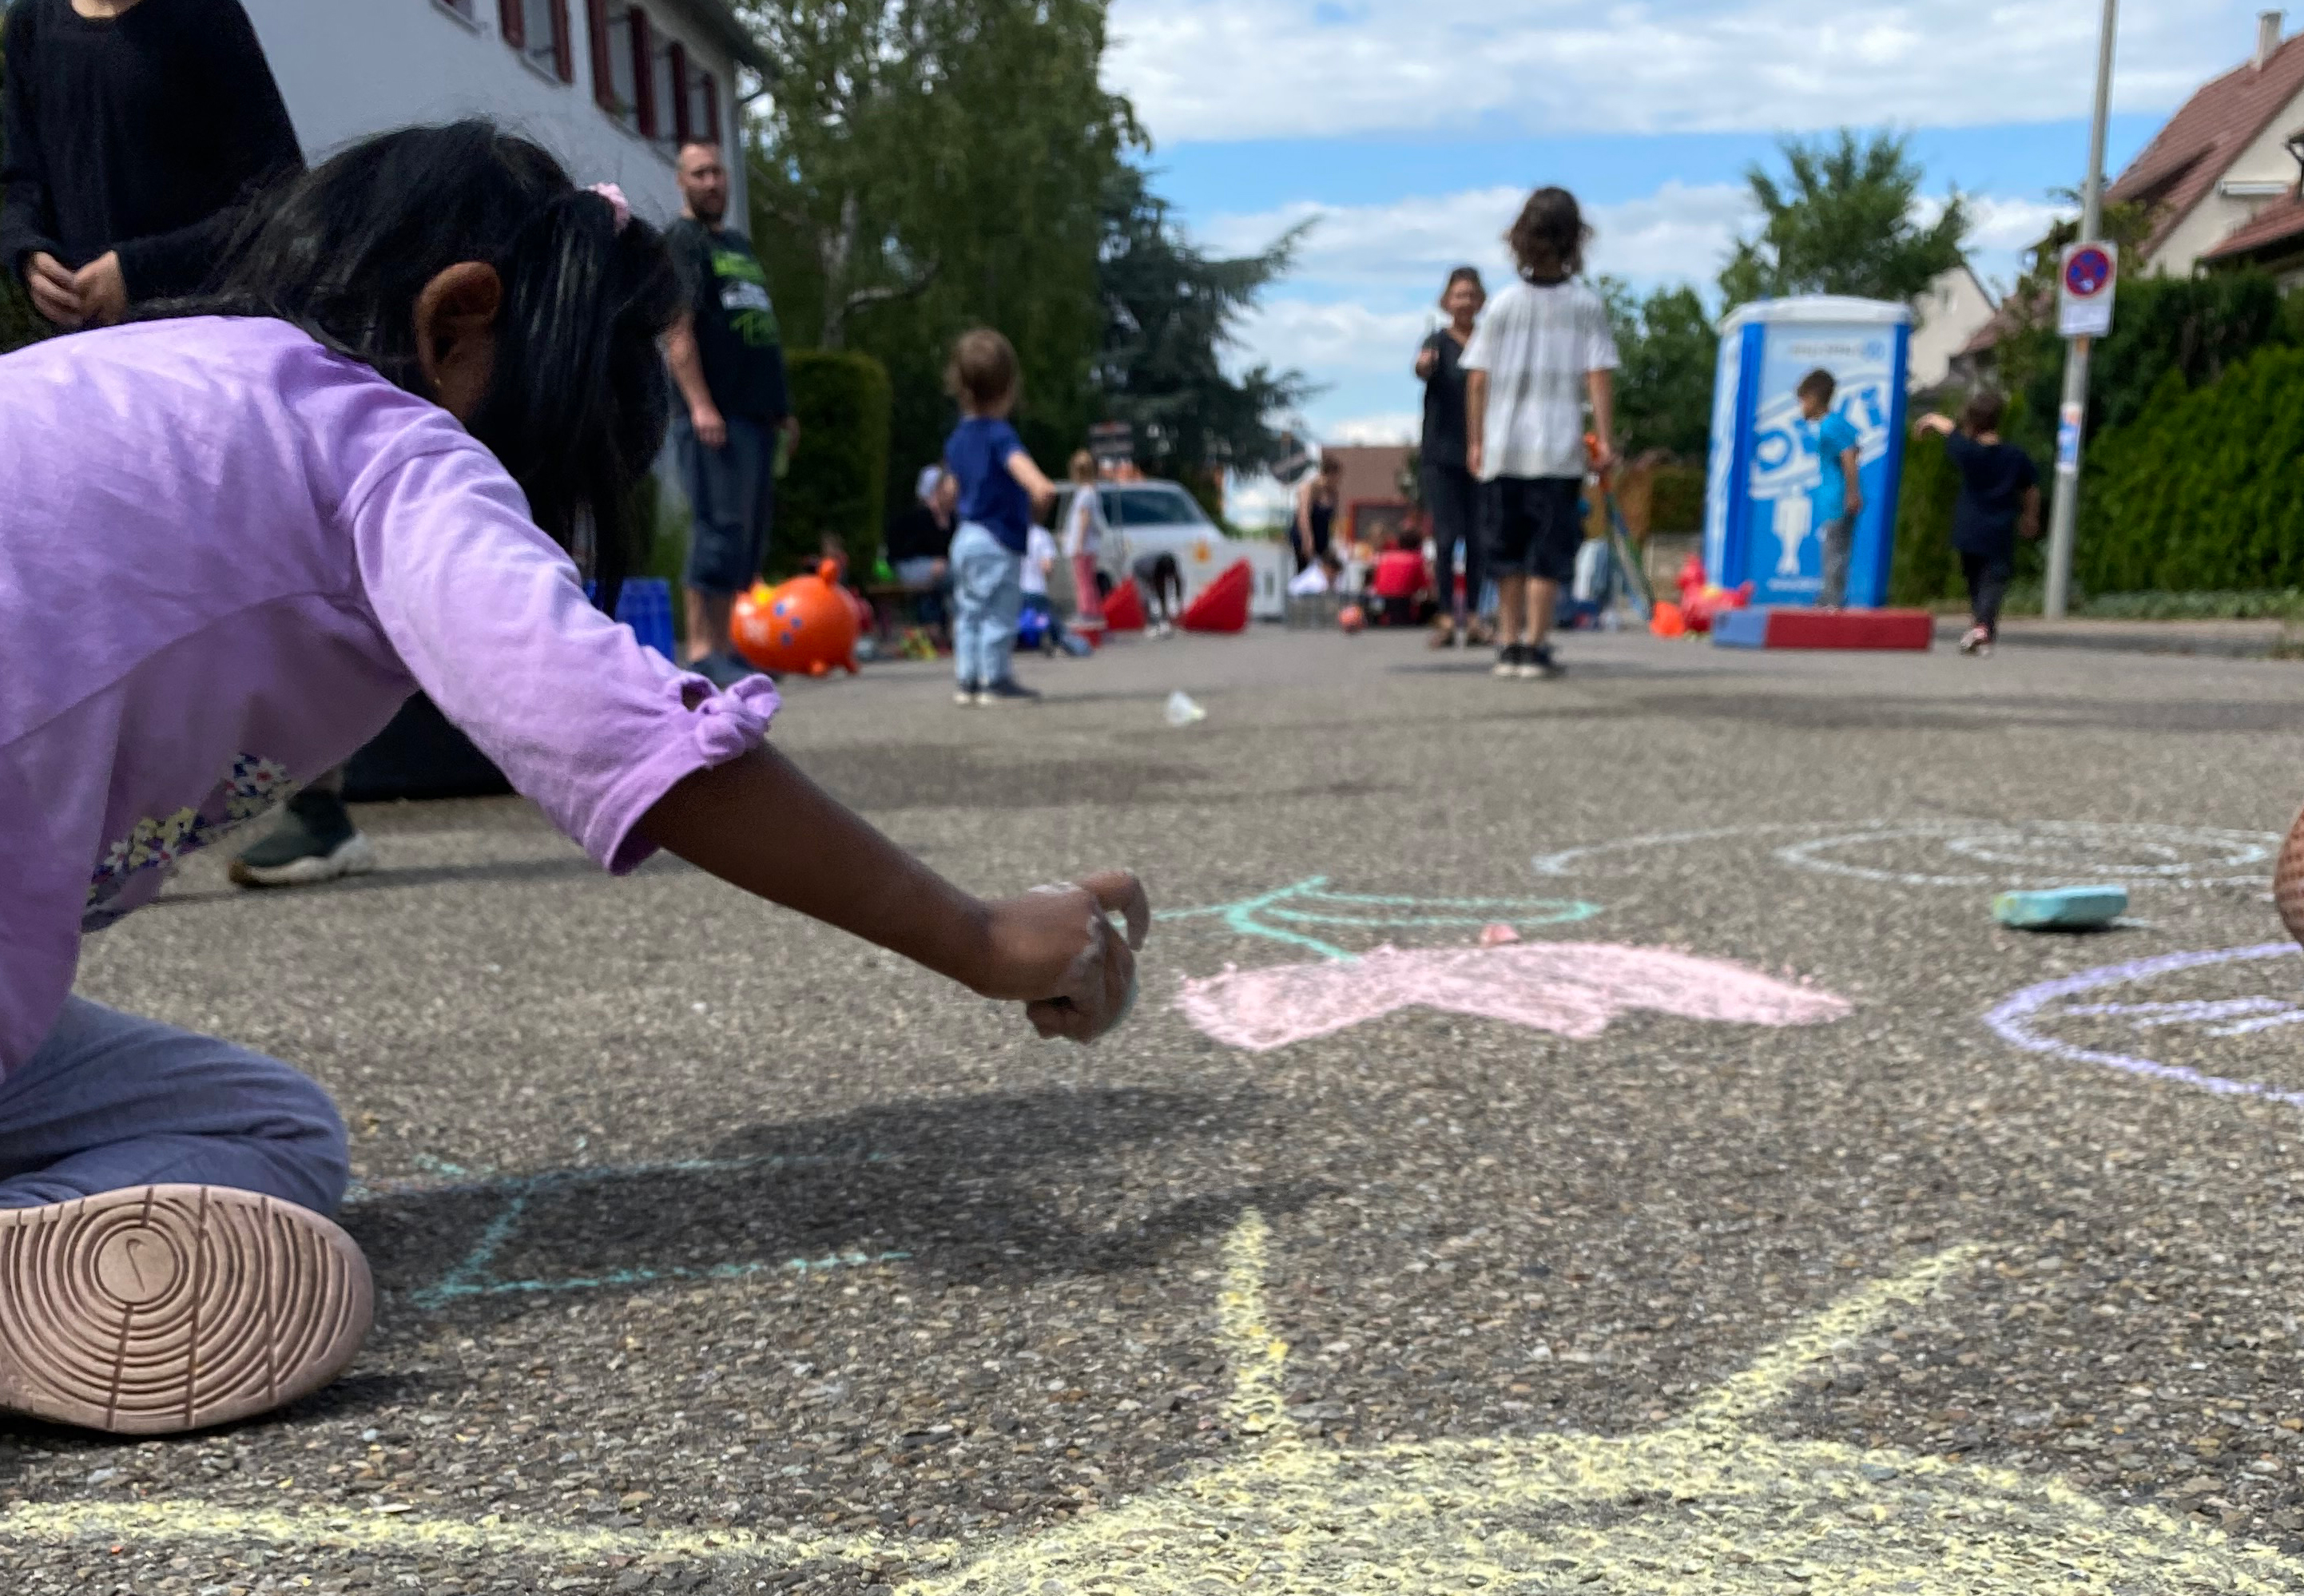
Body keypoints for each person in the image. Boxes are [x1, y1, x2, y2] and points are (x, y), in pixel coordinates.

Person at [0, 122, 1149, 1439]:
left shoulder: (145, 374)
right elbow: (617, 727)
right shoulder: (385, 441)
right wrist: (982, 933)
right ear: (458, 325)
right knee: (268, 1150)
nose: (529, 506)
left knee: (265, 1129)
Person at [0, 0, 302, 330]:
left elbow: (279, 199)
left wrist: (136, 273)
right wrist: (28, 256)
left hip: (207, 330)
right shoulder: (29, 25)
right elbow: (23, 185)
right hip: (88, 349)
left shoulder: (207, 15)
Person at [1462, 186, 1619, 680]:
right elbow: (1598, 375)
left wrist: (1476, 441)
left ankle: (1507, 645)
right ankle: (1535, 643)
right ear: (1576, 240)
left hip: (1504, 448)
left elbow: (1478, 378)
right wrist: (1605, 438)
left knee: (1505, 551)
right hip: (1556, 448)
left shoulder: (1503, 305)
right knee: (1546, 553)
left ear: (1520, 239)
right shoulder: (1585, 305)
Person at [661, 138, 797, 688]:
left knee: (745, 537)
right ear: (682, 183)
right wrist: (699, 404)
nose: (713, 182)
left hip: (756, 417)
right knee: (716, 530)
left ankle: (726, 645)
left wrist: (783, 410)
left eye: (717, 172)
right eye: (700, 174)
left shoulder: (738, 245)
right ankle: (700, 650)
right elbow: (678, 330)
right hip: (714, 417)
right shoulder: (681, 242)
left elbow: (760, 330)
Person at [943, 328, 1057, 705]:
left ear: (961, 387)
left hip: (965, 537)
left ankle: (967, 681)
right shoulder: (999, 433)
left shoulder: (958, 438)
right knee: (999, 612)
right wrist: (1040, 486)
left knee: (970, 611)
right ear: (1009, 387)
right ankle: (995, 680)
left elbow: (949, 488)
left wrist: (944, 503)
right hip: (996, 538)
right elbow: (1020, 467)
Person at [1915, 392, 2040, 654]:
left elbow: (1950, 432)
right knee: (1993, 581)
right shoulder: (2014, 456)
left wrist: (1930, 419)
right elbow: (2030, 489)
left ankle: (1981, 628)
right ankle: (1983, 627)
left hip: (1969, 528)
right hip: (2000, 528)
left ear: (1970, 422)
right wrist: (2030, 517)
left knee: (1974, 580)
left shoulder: (1967, 451)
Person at [1414, 266, 1487, 646]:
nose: (1465, 302)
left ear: (1481, 301)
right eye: (1459, 295)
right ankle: (1445, 616)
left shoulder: (1488, 342)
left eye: (1471, 295)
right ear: (1446, 301)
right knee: (1445, 539)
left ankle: (1474, 616)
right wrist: (1424, 366)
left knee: (1478, 538)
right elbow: (1422, 368)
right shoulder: (1436, 341)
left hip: (1481, 452)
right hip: (1441, 454)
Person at [1795, 368, 1864, 609]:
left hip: (1837, 499)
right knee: (1836, 551)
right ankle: (1829, 598)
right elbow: (1855, 448)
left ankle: (1832, 602)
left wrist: (1852, 492)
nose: (1801, 408)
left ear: (1813, 399)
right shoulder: (1839, 423)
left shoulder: (1829, 427)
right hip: (1836, 497)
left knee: (1833, 552)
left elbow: (1848, 457)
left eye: (1802, 401)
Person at [885, 464, 956, 641]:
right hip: (911, 565)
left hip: (940, 573)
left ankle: (945, 626)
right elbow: (901, 549)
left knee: (952, 577)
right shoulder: (918, 517)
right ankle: (946, 625)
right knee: (947, 574)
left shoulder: (953, 519)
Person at [1060, 450, 1108, 633]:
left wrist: (1078, 542)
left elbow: (1084, 518)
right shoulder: (1091, 491)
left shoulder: (1085, 493)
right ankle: (1093, 610)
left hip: (1083, 546)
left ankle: (1086, 611)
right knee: (1088, 580)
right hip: (1089, 545)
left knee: (1083, 581)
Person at [1369, 527, 1431, 628]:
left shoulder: (1385, 557)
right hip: (1405, 601)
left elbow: (1376, 583)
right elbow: (1424, 587)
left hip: (1383, 601)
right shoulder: (1417, 560)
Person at [1293, 455, 1341, 573]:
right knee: (1305, 571)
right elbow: (1303, 516)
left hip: (1323, 538)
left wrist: (1335, 541)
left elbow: (1334, 519)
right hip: (1305, 536)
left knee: (1323, 572)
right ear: (1329, 474)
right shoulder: (1309, 488)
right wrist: (1307, 541)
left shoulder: (1333, 493)